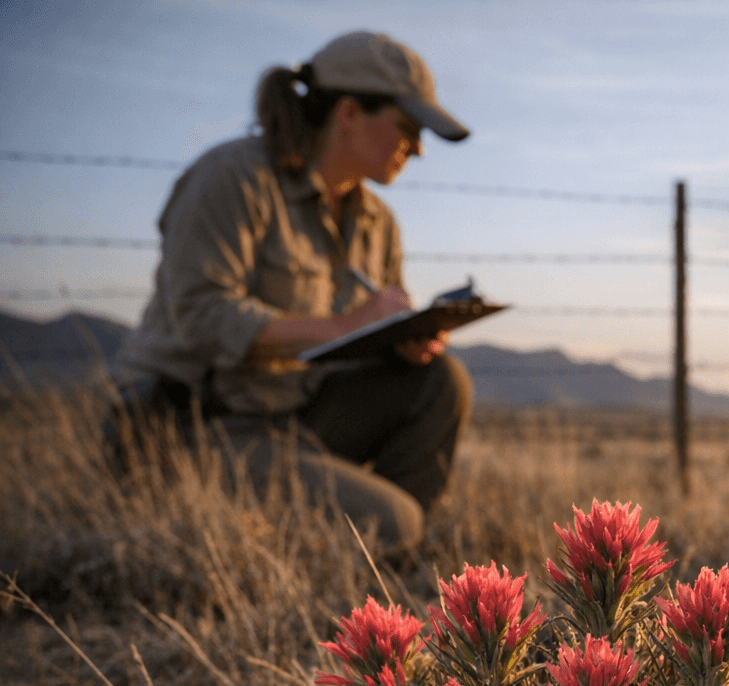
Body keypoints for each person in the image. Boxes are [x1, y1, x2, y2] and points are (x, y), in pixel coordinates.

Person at [112, 31, 474, 551]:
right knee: (393, 521)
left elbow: (364, 333)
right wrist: (352, 324)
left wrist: (402, 341)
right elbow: (202, 316)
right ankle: (373, 547)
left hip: (296, 417)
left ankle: (374, 556)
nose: (416, 149)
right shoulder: (233, 178)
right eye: (407, 127)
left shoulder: (379, 223)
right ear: (348, 112)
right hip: (201, 425)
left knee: (440, 379)